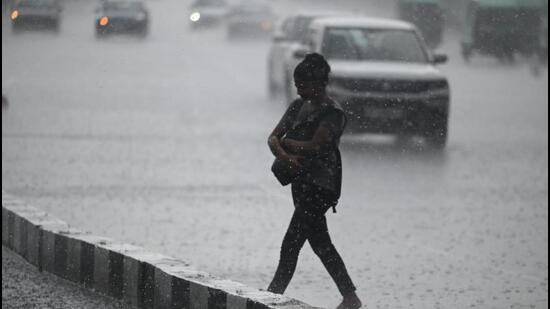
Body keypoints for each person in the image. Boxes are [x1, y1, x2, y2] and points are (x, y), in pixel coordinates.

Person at [267, 53, 362, 309]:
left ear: (319, 83)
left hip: (321, 187)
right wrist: (286, 156)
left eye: (302, 84)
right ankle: (350, 297)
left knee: (291, 244)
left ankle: (270, 297)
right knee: (321, 243)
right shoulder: (298, 106)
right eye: (296, 84)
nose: (298, 89)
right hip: (300, 183)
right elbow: (272, 138)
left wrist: (286, 145)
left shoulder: (333, 113)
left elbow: (317, 146)